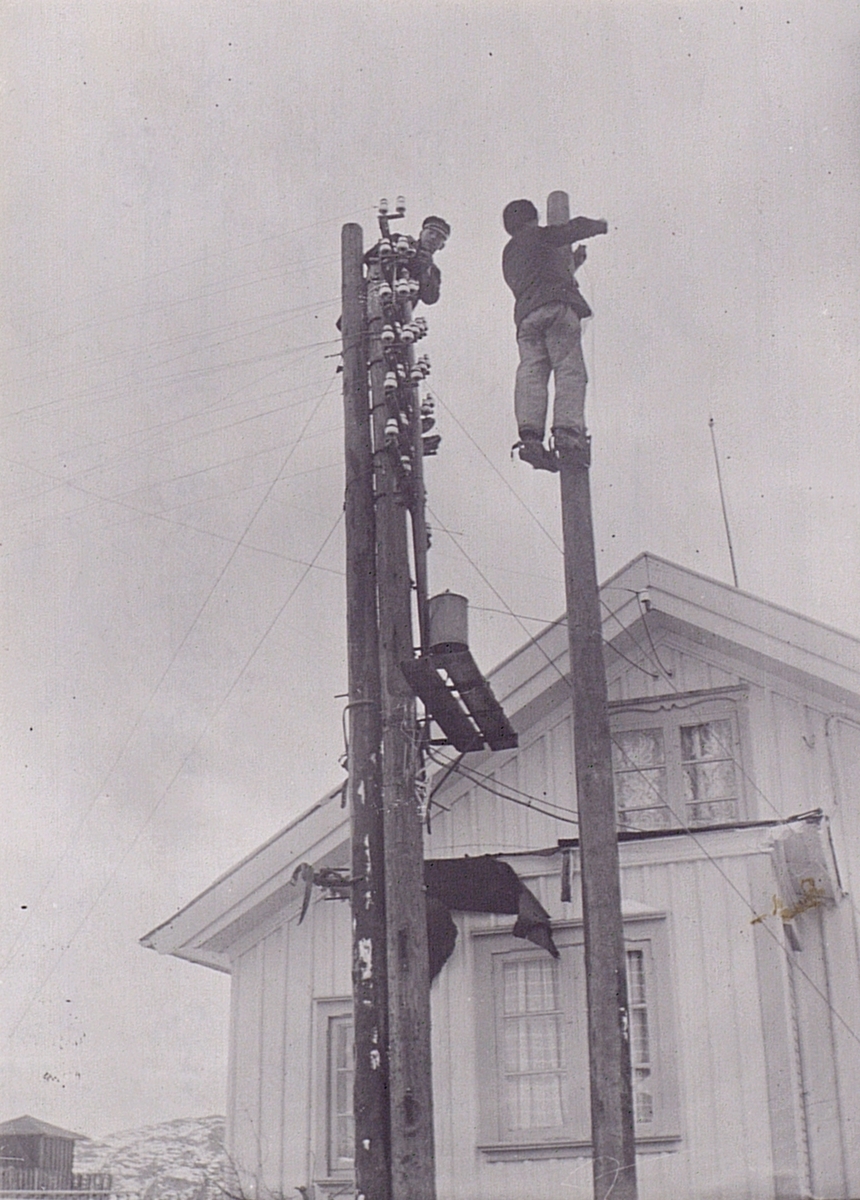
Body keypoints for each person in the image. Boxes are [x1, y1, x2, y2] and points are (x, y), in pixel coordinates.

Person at [502, 199, 607, 471]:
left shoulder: (509, 253)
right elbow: (570, 230)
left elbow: (540, 271)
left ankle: (530, 438)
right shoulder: (538, 235)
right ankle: (567, 431)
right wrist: (601, 226)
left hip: (527, 318)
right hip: (556, 308)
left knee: (532, 372)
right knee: (569, 367)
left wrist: (572, 264)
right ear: (532, 218)